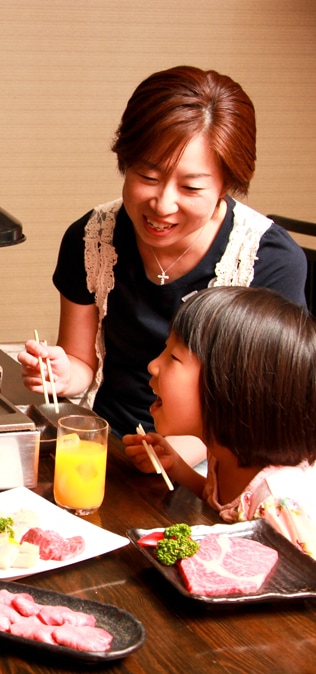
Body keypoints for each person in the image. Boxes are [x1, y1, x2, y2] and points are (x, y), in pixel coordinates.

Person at [18, 66, 307, 463]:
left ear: (226, 183)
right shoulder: (91, 239)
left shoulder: (270, 262)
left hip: (217, 462)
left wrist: (181, 451)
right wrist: (65, 374)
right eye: (148, 176)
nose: (162, 204)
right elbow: (84, 362)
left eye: (190, 187)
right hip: (105, 443)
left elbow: (265, 415)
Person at [127, 287, 315, 560]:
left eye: (174, 357)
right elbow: (220, 500)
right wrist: (176, 466)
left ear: (234, 387)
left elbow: (302, 588)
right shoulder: (223, 452)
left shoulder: (278, 504)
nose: (153, 366)